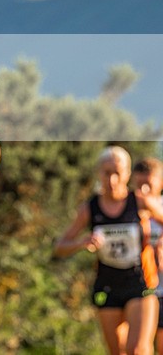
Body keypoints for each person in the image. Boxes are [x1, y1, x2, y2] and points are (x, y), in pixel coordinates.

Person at [54, 147, 163, 355]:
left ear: (127, 174)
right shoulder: (90, 208)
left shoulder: (139, 201)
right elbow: (60, 247)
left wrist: (160, 243)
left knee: (137, 349)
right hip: (108, 284)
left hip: (140, 282)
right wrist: (82, 242)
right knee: (117, 352)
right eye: (106, 172)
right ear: (98, 173)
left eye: (117, 172)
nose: (112, 179)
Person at [131, 157, 163, 354]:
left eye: (148, 185)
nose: (143, 191)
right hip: (136, 290)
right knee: (135, 348)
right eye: (139, 185)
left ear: (160, 182)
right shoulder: (126, 210)